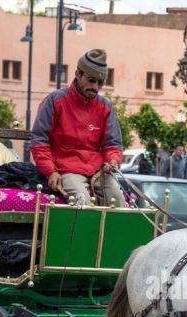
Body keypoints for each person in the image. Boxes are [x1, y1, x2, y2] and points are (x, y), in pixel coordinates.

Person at [30, 48, 125, 207]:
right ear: (77, 74)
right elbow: (39, 142)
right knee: (82, 201)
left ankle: (114, 233)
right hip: (66, 169)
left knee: (117, 199)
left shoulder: (105, 106)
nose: (95, 87)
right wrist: (51, 171)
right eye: (91, 80)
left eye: (100, 83)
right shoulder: (55, 100)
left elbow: (113, 144)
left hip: (99, 170)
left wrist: (113, 160)